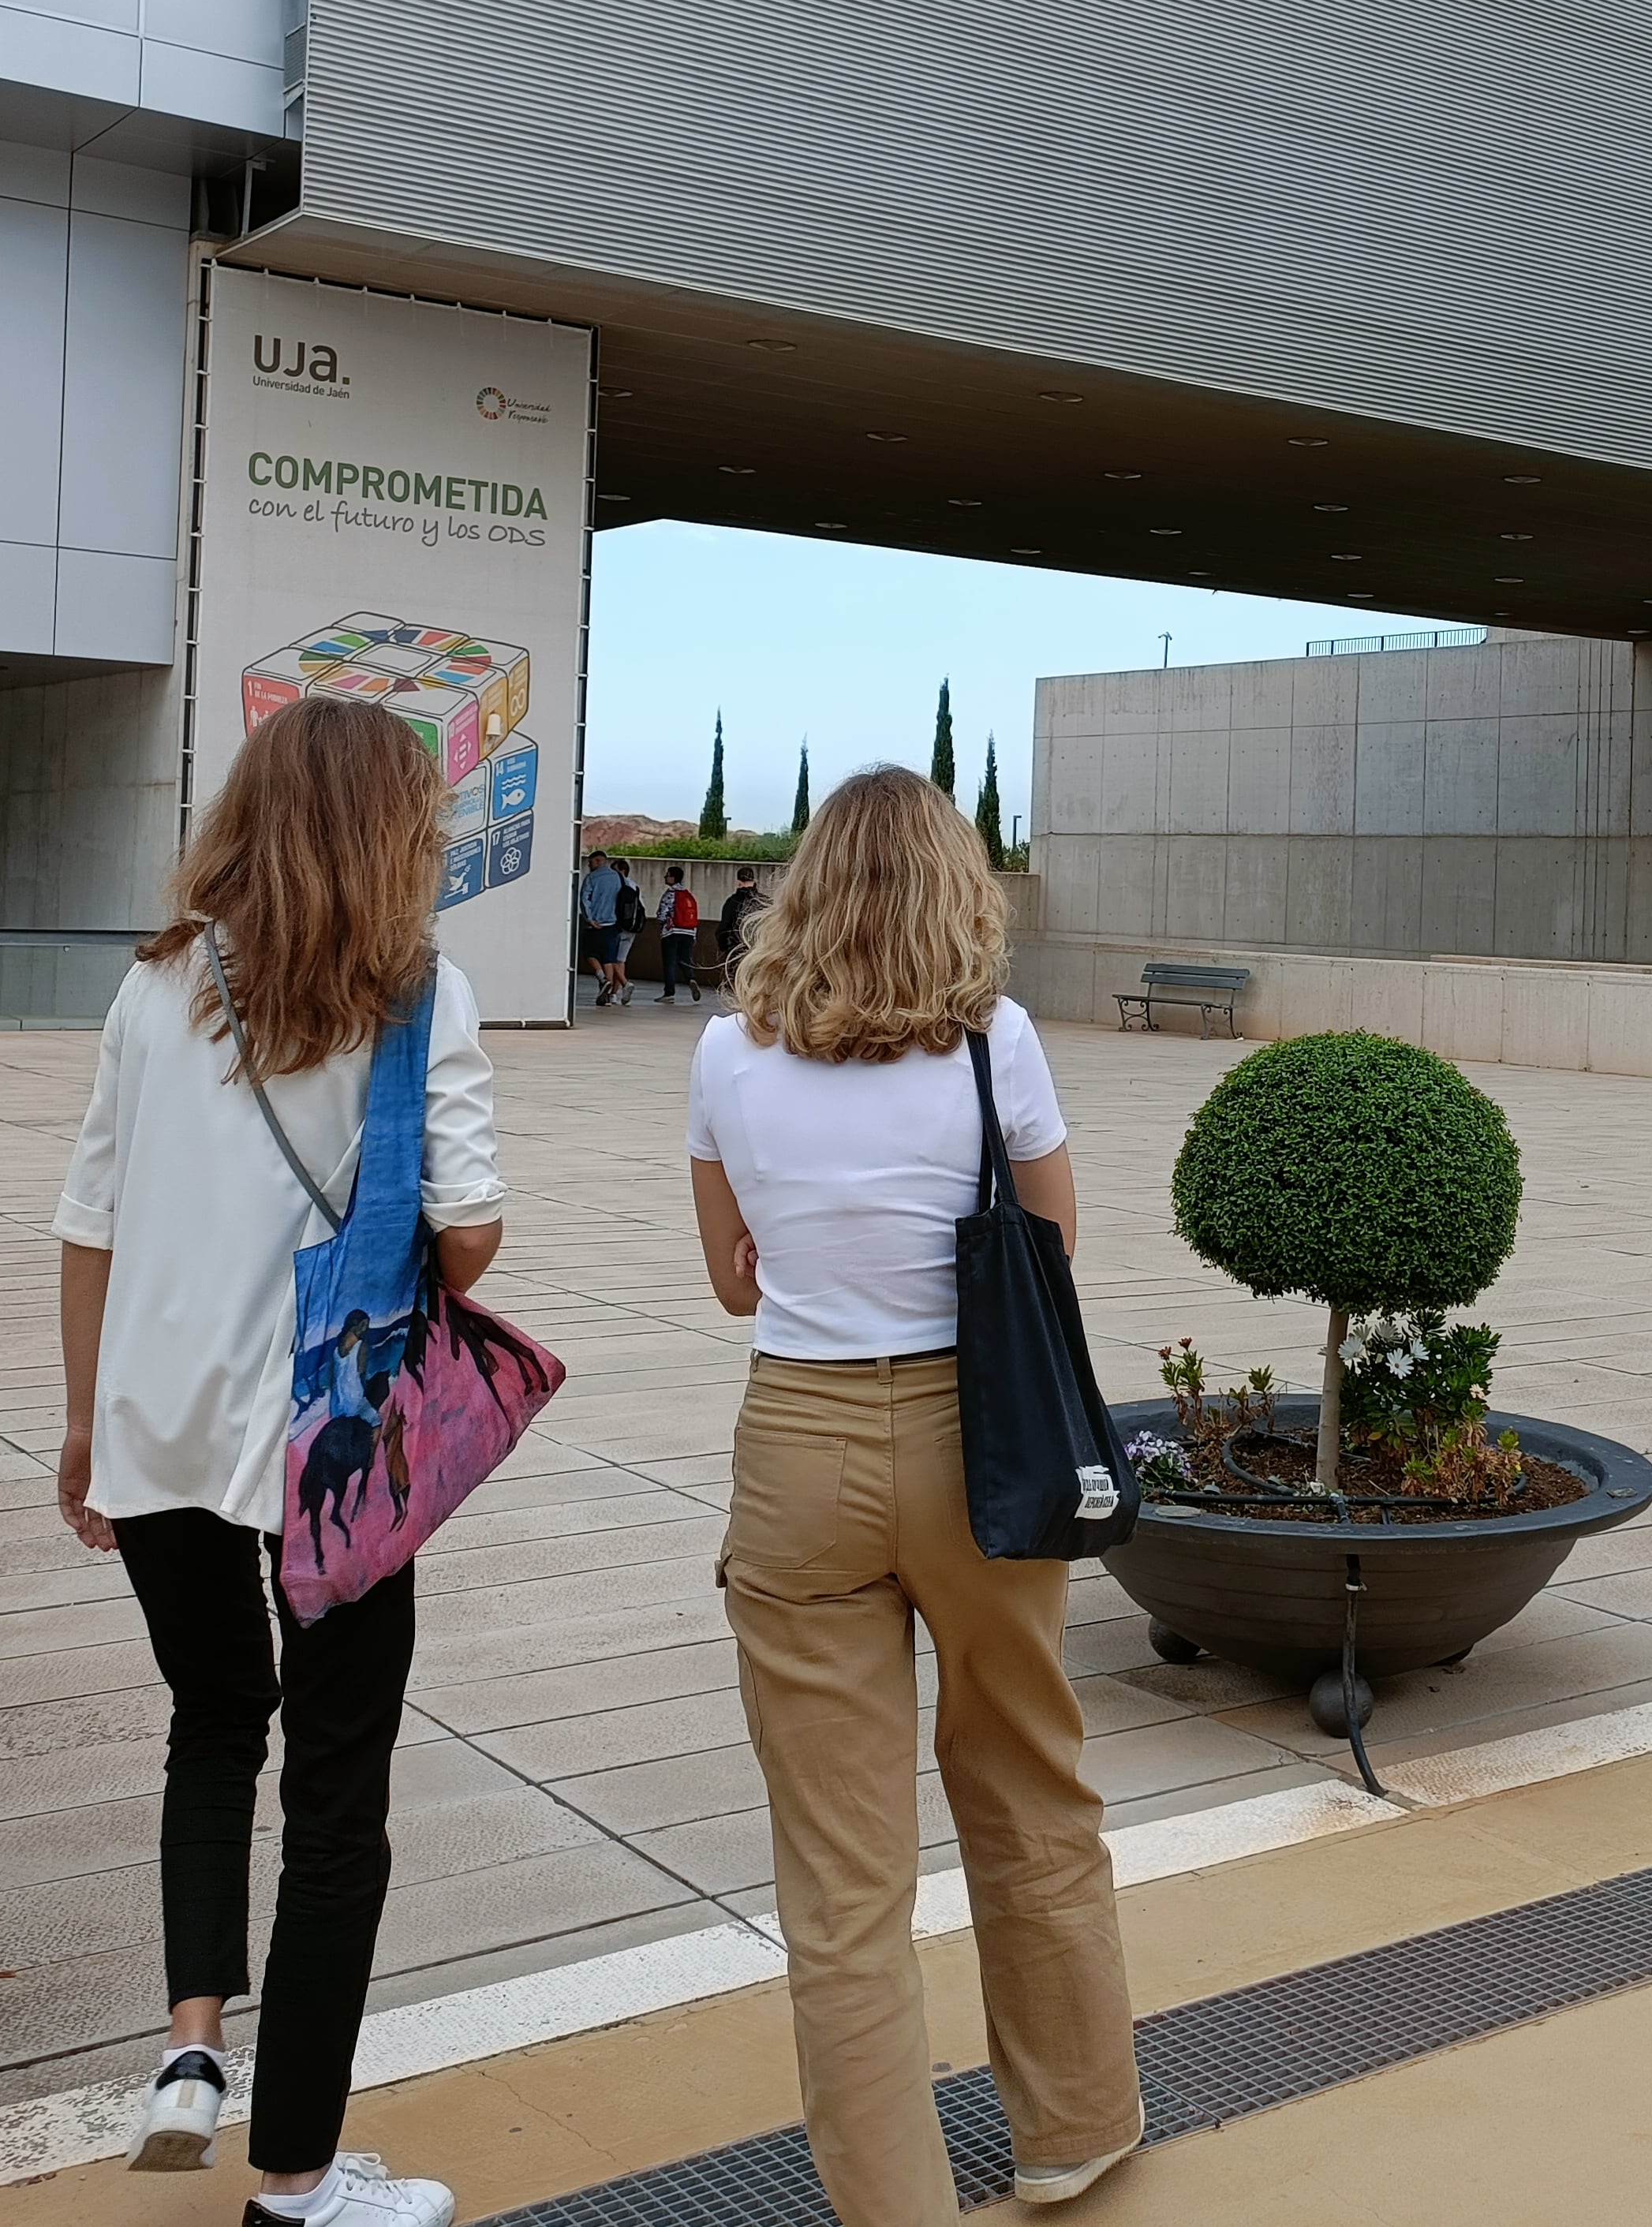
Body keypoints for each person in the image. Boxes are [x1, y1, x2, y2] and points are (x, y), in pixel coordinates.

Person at [50, 695, 510, 2227]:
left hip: (155, 1424)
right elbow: (468, 1234)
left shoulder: (151, 984)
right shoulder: (416, 994)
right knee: (335, 1801)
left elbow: (89, 1225)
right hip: (334, 1448)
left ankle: (192, 2050)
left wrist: (82, 1424)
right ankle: (300, 2180)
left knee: (209, 1725)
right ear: (389, 829)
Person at [686, 768, 1140, 2225]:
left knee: (838, 1871)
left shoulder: (725, 1055)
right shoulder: (993, 1046)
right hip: (980, 1443)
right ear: (958, 889)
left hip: (800, 1447)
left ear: (804, 885)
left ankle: (889, 2198)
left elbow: (729, 1274)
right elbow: (1051, 1243)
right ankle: (1068, 2126)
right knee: (1027, 1785)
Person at [578, 847, 626, 1007]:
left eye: (591, 862)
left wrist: (589, 919)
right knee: (609, 959)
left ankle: (602, 979)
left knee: (590, 954)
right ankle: (608, 995)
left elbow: (585, 899)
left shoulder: (591, 878)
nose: (589, 866)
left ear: (598, 861)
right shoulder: (618, 877)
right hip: (613, 923)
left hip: (596, 923)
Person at [713, 863, 768, 992]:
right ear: (754, 881)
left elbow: (723, 929)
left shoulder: (732, 902)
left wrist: (725, 948)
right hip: (759, 951)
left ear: (739, 882)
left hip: (737, 951)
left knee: (737, 987)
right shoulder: (764, 902)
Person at [656, 864, 701, 1002]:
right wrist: (693, 935)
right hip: (688, 932)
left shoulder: (670, 894)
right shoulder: (688, 895)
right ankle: (691, 979)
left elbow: (662, 915)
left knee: (669, 962)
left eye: (667, 875)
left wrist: (661, 921)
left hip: (672, 932)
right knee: (685, 960)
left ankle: (669, 993)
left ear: (673, 878)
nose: (665, 877)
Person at [609, 858, 645, 1005]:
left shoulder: (617, 885)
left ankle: (623, 985)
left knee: (609, 959)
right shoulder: (635, 886)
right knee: (621, 961)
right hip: (631, 928)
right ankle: (616, 993)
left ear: (621, 871)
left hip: (617, 926)